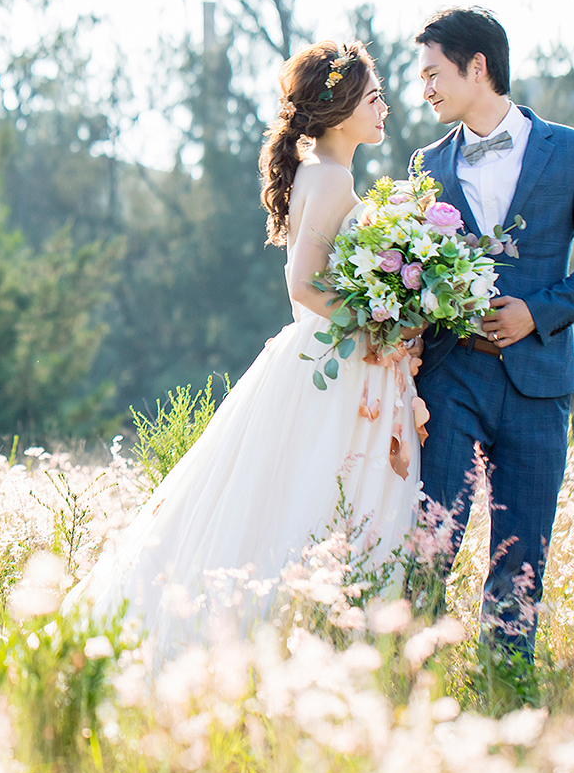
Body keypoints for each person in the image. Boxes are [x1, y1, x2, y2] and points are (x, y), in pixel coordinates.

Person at [66, 40, 424, 665]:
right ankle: (300, 642)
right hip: (337, 362)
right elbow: (304, 286)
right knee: (315, 495)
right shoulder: (334, 177)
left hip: (323, 357)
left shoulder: (321, 171)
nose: (384, 107)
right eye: (373, 97)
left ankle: (292, 639)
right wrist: (376, 327)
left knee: (291, 494)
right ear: (340, 109)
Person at [406, 7, 574, 666]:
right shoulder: (427, 164)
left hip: (539, 387)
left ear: (478, 67)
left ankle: (505, 696)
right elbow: (417, 269)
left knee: (521, 558)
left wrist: (537, 311)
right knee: (430, 544)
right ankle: (400, 686)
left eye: (433, 73)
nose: (425, 89)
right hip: (450, 381)